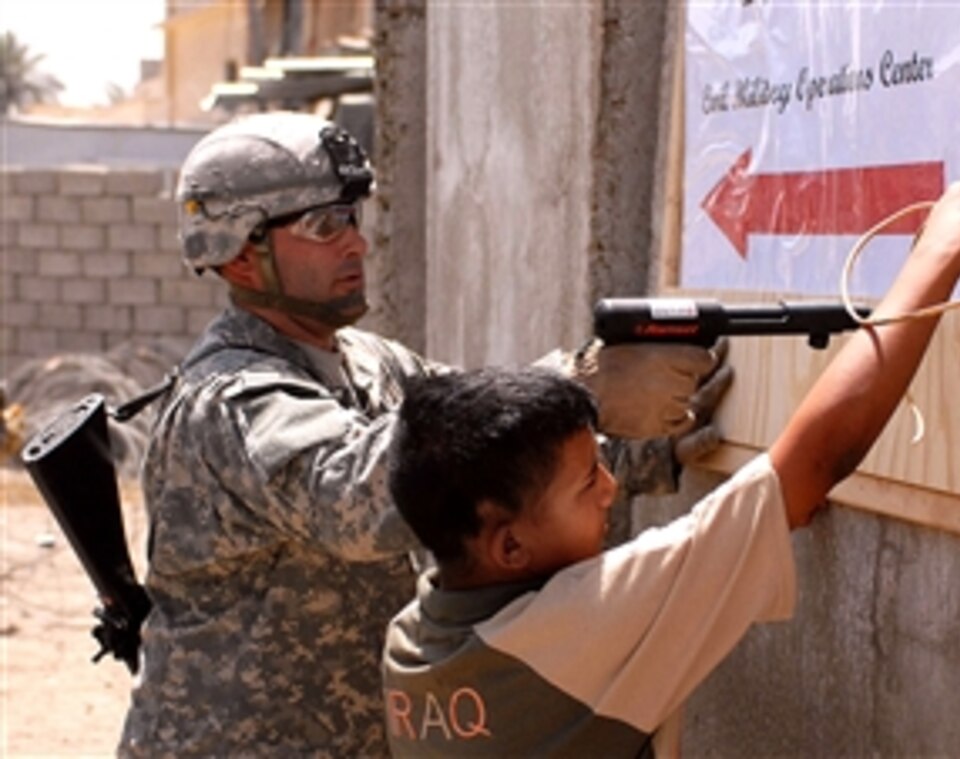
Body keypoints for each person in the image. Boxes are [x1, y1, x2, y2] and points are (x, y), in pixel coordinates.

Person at [381, 147, 960, 757]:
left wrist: (751, 528)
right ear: (509, 546)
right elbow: (814, 463)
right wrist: (941, 252)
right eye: (587, 483)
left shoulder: (415, 641)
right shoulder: (578, 628)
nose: (612, 489)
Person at [116, 111, 732, 757]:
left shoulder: (369, 363)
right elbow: (357, 500)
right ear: (240, 254)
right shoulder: (231, 399)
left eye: (353, 218)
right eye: (324, 225)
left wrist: (650, 447)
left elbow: (493, 460)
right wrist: (577, 386)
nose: (356, 243)